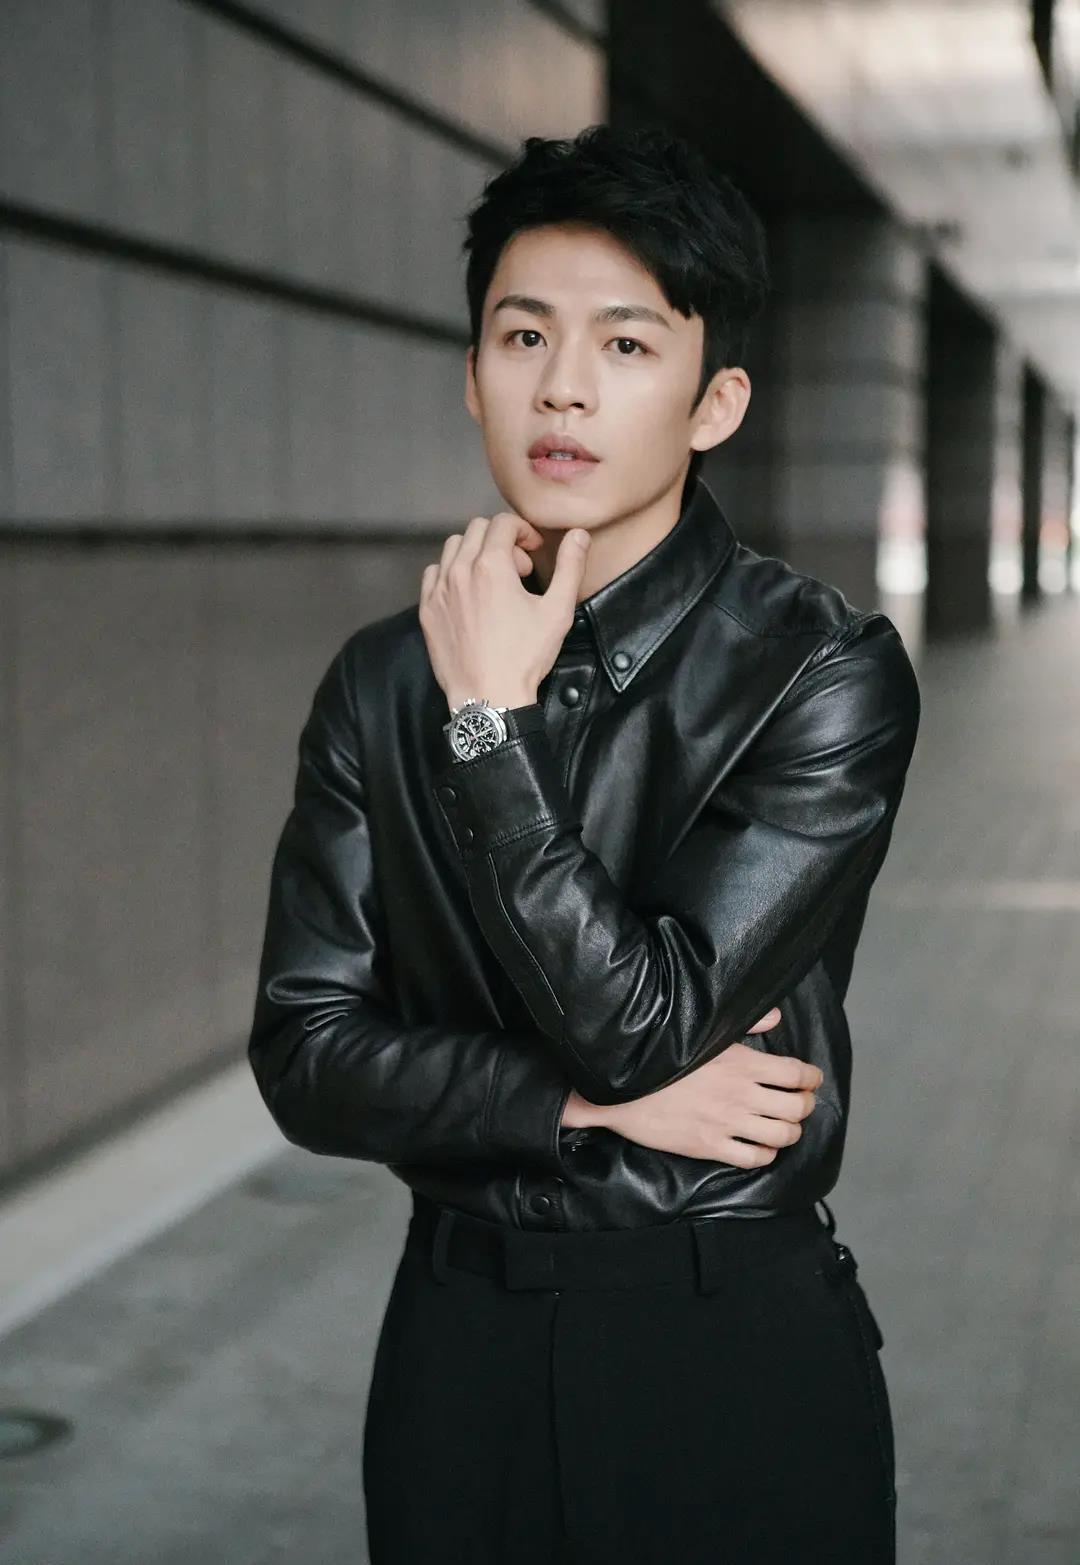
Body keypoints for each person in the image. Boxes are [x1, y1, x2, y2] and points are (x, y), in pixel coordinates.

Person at [247, 122, 921, 1563]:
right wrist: (579, 1111)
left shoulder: (818, 671)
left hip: (721, 1340)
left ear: (715, 398)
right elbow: (305, 1054)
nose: (562, 384)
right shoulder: (381, 679)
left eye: (624, 343)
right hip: (459, 1348)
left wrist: (489, 728)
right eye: (523, 336)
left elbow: (649, 1024)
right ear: (472, 375)